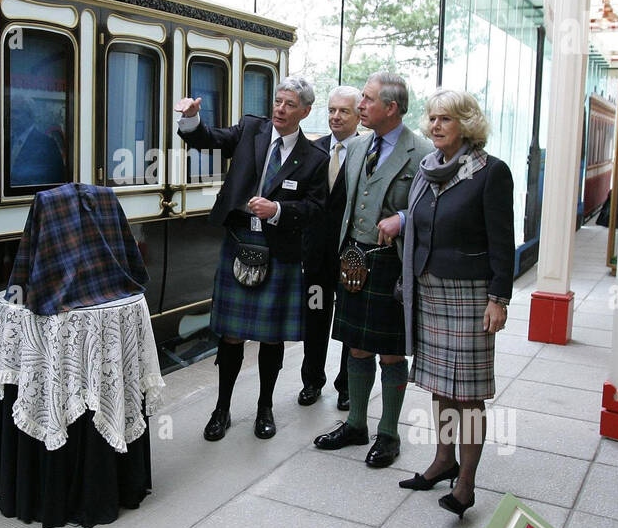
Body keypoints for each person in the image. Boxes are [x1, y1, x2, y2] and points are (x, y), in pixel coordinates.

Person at [176, 77, 328, 441]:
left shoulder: (314, 159)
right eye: (278, 101)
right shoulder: (250, 129)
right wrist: (192, 120)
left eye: (290, 104)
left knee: (272, 338)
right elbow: (208, 140)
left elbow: (316, 209)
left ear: (305, 112)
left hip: (281, 250)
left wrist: (277, 209)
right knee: (230, 336)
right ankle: (221, 408)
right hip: (239, 240)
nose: (280, 109)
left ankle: (265, 407)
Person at [397, 89, 514, 518]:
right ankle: (443, 460)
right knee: (439, 386)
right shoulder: (428, 170)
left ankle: (466, 483)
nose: (435, 126)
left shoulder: (491, 172)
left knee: (467, 396)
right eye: (432, 118)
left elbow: (503, 240)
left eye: (445, 118)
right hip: (429, 289)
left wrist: (499, 298)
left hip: (470, 294)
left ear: (466, 123)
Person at [313, 73, 431, 468]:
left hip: (392, 265)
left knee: (393, 354)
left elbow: (432, 211)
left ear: (391, 108)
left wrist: (402, 217)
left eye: (366, 100)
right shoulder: (359, 146)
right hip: (353, 260)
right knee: (356, 345)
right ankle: (356, 424)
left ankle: (389, 434)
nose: (359, 106)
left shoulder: (423, 152)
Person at [299, 85, 362, 409]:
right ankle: (312, 381)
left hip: (351, 255)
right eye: (332, 110)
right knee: (315, 316)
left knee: (349, 321)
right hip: (317, 256)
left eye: (344, 111)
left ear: (358, 115)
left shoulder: (367, 154)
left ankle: (347, 385)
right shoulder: (314, 150)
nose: (336, 117)